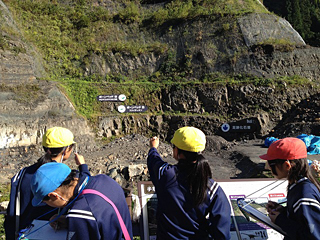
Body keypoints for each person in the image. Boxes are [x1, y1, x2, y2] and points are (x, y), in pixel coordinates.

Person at [147, 126, 231, 239]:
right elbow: (221, 229)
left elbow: (154, 160)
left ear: (178, 151)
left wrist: (153, 147)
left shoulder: (165, 175)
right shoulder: (212, 187)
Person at [4, 126, 88, 240]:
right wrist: (83, 167)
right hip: (51, 234)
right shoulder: (64, 179)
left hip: (23, 233)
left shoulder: (22, 174)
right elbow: (86, 193)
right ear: (66, 149)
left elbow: (13, 211)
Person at [30, 162, 133, 240]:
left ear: (53, 196)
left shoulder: (80, 212)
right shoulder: (104, 179)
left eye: (44, 201)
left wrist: (75, 221)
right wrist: (68, 221)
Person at [260, 137, 320, 240]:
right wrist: (283, 211)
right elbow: (300, 220)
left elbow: (313, 236)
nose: (268, 167)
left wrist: (281, 220)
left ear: (287, 165)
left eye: (271, 164)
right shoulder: (297, 186)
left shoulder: (304, 195)